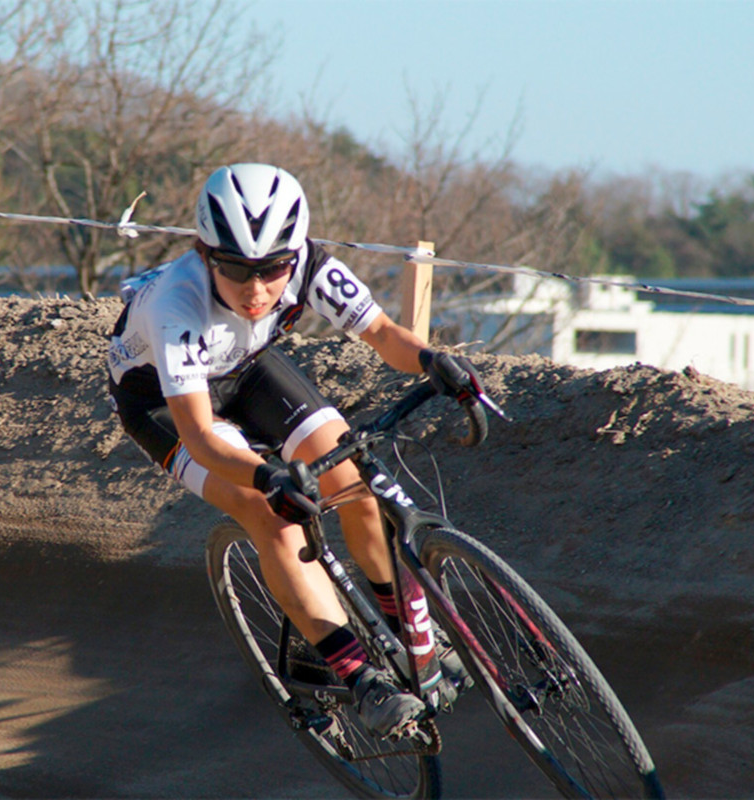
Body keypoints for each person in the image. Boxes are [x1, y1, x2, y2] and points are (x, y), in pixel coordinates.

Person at [107, 163, 478, 739]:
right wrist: (267, 477)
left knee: (350, 481)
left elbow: (382, 334)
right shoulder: (176, 306)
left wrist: (433, 361)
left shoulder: (311, 263)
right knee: (271, 515)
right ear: (206, 256)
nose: (257, 291)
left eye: (274, 270)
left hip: (246, 367)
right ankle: (360, 680)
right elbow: (202, 436)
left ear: (295, 252)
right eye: (236, 270)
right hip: (162, 401)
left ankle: (406, 629)